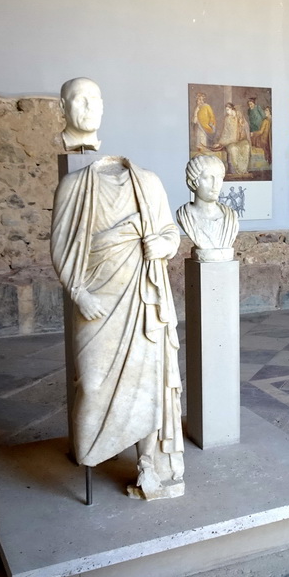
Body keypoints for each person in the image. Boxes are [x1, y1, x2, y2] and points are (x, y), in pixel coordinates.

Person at [50, 78, 184, 501]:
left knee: (147, 385)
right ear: (64, 106)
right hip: (96, 302)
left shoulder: (148, 182)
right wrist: (77, 290)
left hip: (142, 301)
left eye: (95, 99)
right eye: (79, 100)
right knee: (91, 386)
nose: (88, 107)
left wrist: (161, 243)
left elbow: (170, 232)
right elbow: (60, 245)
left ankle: (148, 463)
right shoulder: (74, 185)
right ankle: (90, 453)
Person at [176, 155, 238, 261]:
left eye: (219, 178)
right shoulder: (185, 216)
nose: (216, 184)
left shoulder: (231, 217)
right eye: (208, 178)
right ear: (192, 182)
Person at [212, 102, 251, 176]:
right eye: (226, 110)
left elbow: (244, 128)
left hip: (240, 140)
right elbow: (225, 132)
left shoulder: (239, 116)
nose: (227, 112)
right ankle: (235, 171)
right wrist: (220, 143)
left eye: (228, 110)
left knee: (246, 146)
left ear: (232, 109)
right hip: (230, 141)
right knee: (232, 148)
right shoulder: (227, 119)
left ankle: (243, 170)